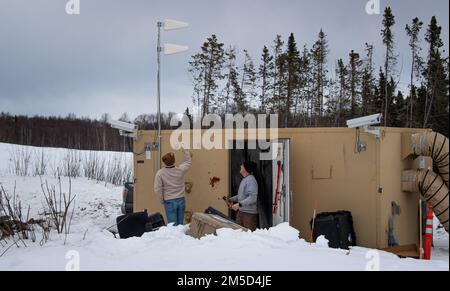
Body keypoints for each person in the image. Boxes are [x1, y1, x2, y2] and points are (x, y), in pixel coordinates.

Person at [154, 148, 192, 225]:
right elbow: (188, 162)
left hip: (169, 201)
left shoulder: (160, 173)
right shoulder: (180, 170)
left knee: (172, 227)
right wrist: (185, 150)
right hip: (181, 200)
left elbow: (157, 189)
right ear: (174, 160)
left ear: (164, 162)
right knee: (180, 225)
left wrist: (162, 200)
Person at [229, 161, 258, 231]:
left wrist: (239, 205)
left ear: (245, 168)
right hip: (241, 212)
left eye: (242, 165)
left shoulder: (251, 180)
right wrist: (231, 199)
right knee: (239, 236)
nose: (241, 166)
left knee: (248, 237)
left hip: (248, 215)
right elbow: (242, 195)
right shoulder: (245, 179)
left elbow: (252, 198)